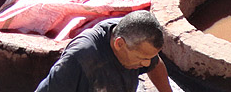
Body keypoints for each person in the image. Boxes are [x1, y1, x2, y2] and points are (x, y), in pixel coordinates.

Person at [34, 11, 174, 92]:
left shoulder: (134, 34)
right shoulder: (80, 57)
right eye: (141, 57)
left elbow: (156, 65)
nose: (146, 63)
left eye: (150, 57)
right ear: (119, 43)